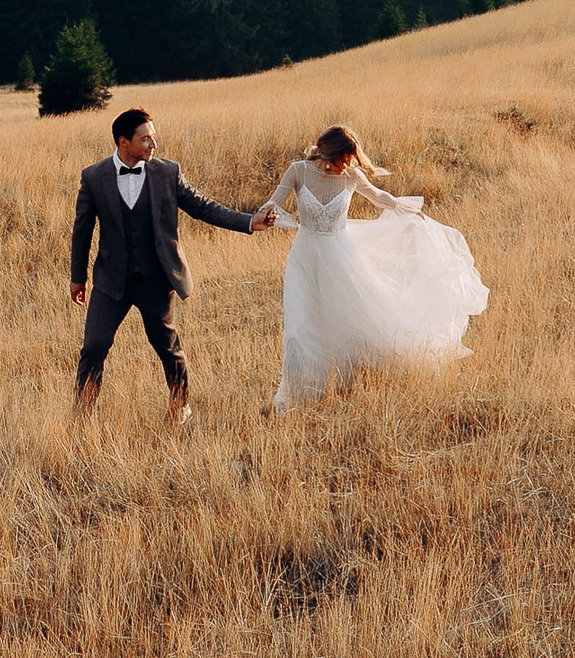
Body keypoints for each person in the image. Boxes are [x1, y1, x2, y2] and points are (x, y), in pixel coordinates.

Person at [253, 124, 487, 409]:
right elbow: (273, 201)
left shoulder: (352, 175)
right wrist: (263, 214)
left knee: (347, 318)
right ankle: (298, 393)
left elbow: (379, 198)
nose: (346, 166)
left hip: (341, 256)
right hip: (305, 257)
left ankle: (346, 378)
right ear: (328, 153)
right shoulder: (298, 170)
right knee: (301, 324)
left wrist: (411, 211)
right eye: (342, 160)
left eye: (350, 161)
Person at [70, 107, 269, 426]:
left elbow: (204, 208)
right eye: (145, 139)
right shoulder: (93, 177)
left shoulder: (168, 172)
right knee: (93, 346)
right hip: (110, 282)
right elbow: (82, 230)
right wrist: (77, 278)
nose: (153, 145)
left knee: (167, 346)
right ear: (124, 142)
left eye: (154, 137)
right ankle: (81, 414)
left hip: (155, 279)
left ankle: (180, 406)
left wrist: (248, 222)